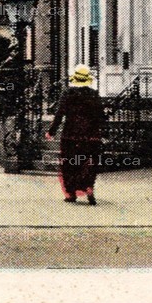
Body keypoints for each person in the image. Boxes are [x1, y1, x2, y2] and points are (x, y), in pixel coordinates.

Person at [49, 64, 105, 204]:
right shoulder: (93, 94)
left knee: (69, 164)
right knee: (89, 162)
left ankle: (71, 193)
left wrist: (51, 131)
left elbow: (60, 114)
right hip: (91, 135)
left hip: (71, 135)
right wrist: (104, 132)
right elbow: (100, 116)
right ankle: (88, 186)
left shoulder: (67, 93)